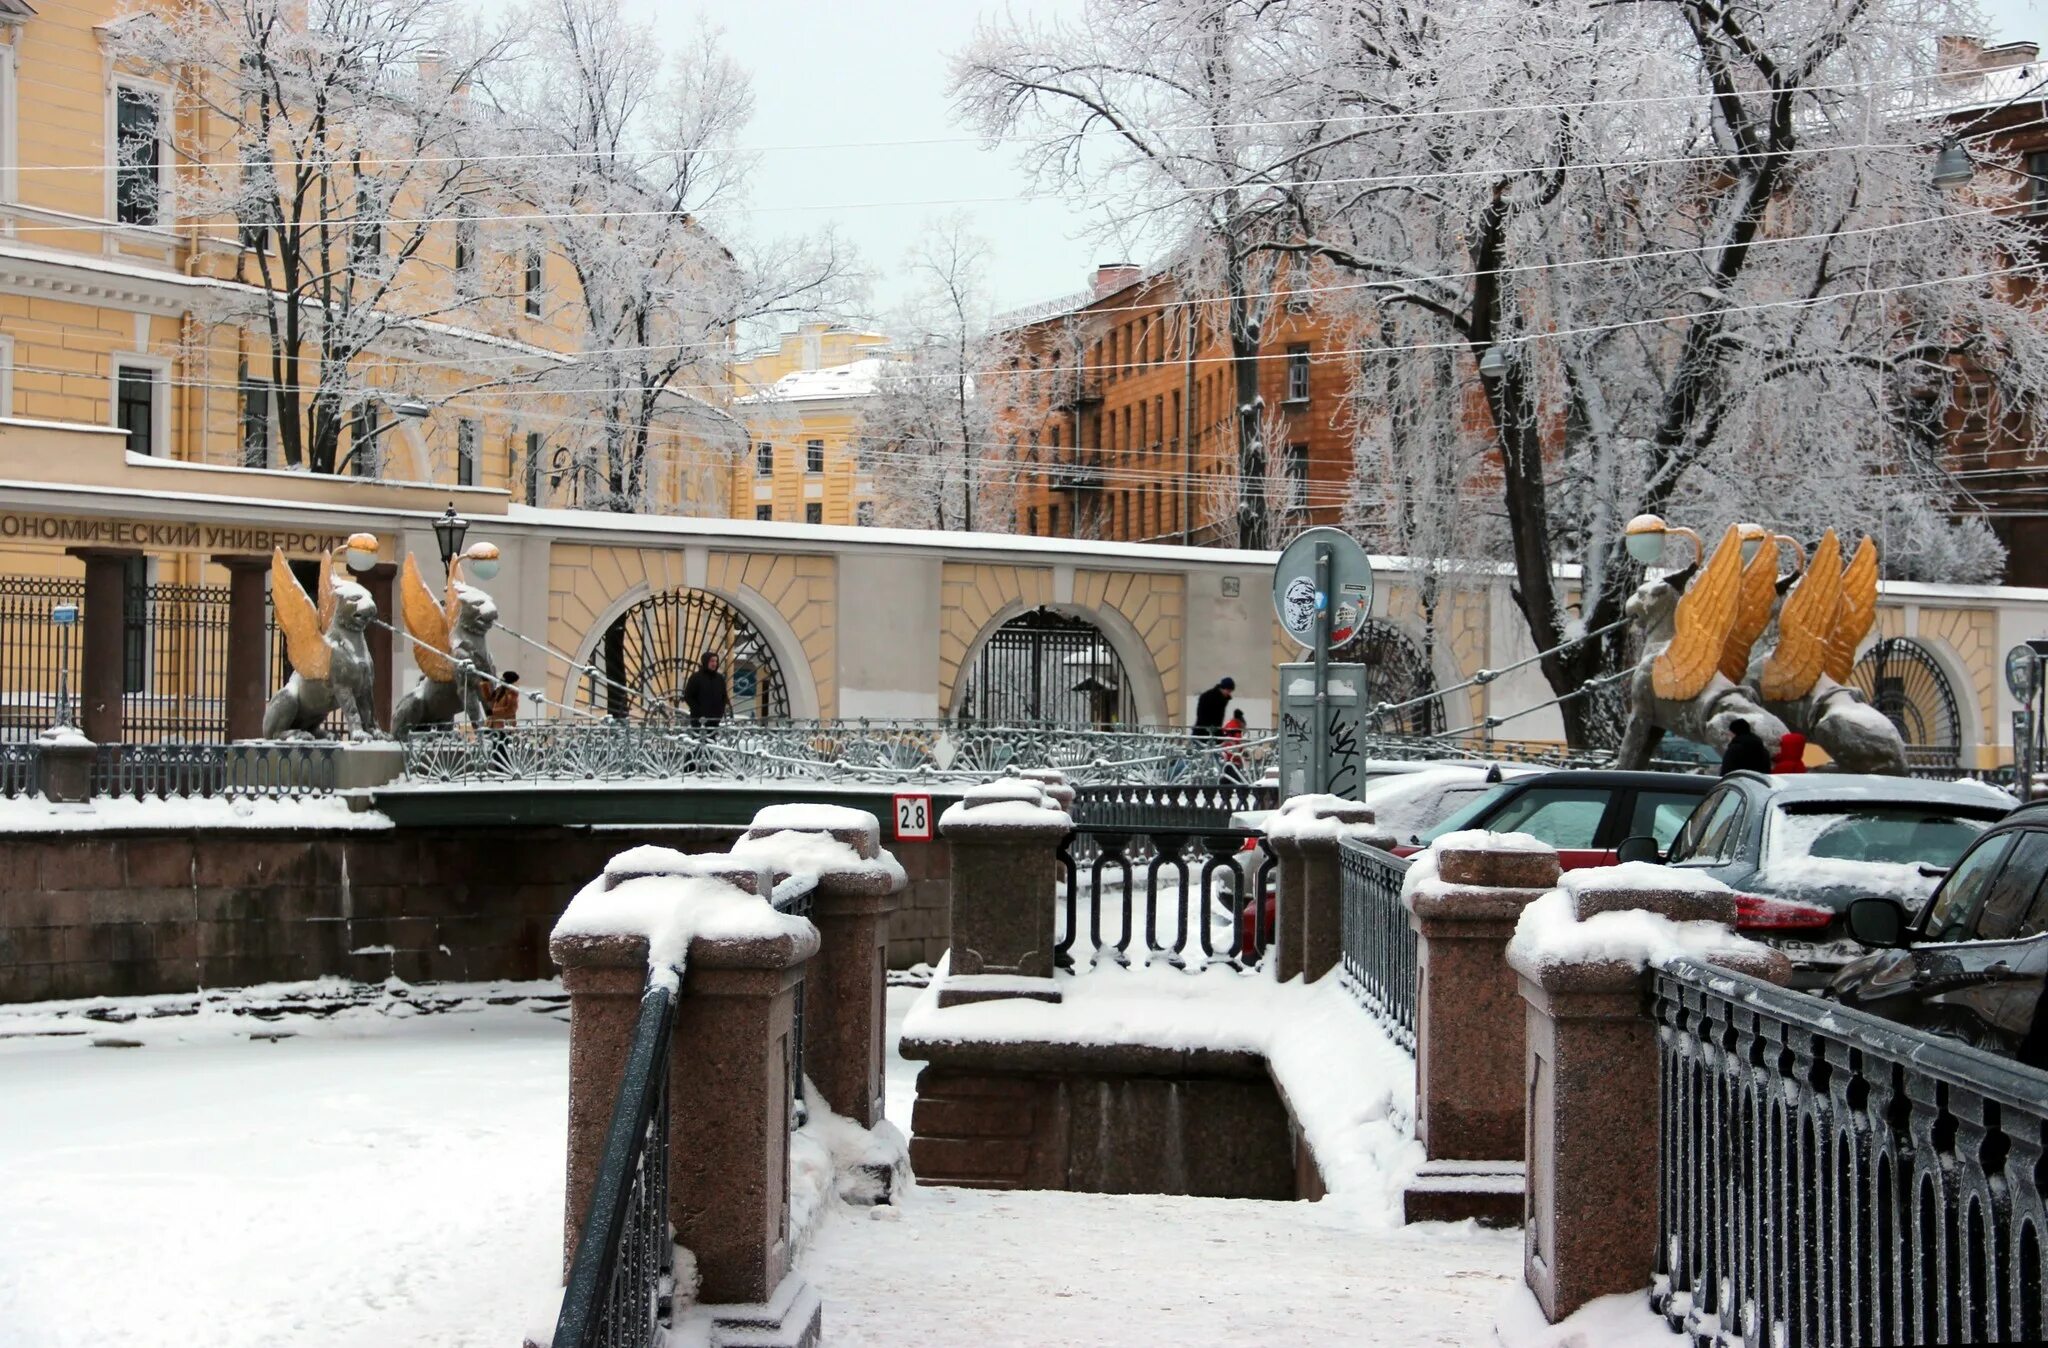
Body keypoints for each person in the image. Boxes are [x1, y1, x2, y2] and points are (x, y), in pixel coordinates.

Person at [683, 651, 730, 728]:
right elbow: (688, 696)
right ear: (705, 661)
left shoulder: (719, 678)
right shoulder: (696, 678)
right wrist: (699, 711)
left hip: (715, 719)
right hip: (699, 720)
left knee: (712, 739)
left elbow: (724, 696)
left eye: (716, 661)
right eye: (712, 661)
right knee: (698, 739)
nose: (714, 663)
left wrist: (720, 712)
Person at [1221, 707, 1248, 785]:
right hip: (1232, 756)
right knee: (1235, 777)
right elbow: (1237, 742)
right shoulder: (1236, 728)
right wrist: (1240, 753)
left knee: (1227, 774)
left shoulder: (1229, 724)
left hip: (1225, 754)